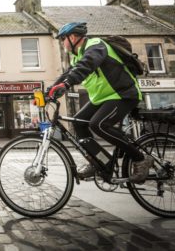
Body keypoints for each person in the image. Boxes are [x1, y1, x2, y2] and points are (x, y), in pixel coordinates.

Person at [47, 22, 153, 183]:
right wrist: (48, 91)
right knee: (79, 123)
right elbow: (69, 73)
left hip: (122, 95)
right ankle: (101, 162)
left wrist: (67, 84)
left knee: (99, 124)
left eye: (63, 39)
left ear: (73, 37)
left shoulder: (95, 44)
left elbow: (87, 64)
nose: (62, 43)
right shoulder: (78, 56)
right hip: (103, 98)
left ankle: (140, 158)